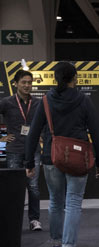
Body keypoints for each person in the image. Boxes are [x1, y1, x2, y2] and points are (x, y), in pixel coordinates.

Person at [24, 61, 99, 247]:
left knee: (55, 202)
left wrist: (28, 162)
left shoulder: (45, 101)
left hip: (51, 157)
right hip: (78, 158)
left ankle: (56, 246)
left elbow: (33, 133)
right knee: (73, 203)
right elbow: (96, 132)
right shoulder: (83, 101)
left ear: (55, 78)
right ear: (75, 78)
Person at [0, 70, 43, 231]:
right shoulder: (6, 102)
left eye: (29, 82)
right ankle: (13, 220)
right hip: (14, 149)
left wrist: (42, 135)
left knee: (33, 186)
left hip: (33, 151)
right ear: (15, 83)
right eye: (23, 82)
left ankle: (34, 220)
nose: (27, 85)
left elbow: (45, 122)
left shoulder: (38, 103)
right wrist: (1, 138)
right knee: (13, 188)